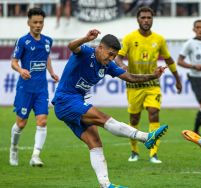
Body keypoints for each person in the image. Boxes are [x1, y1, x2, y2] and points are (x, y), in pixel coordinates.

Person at [51, 29, 168, 188]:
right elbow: (71, 46)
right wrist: (86, 38)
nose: (112, 58)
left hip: (74, 102)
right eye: (110, 54)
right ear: (100, 48)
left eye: (115, 55)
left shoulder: (108, 65)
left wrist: (153, 76)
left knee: (95, 142)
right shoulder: (86, 52)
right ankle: (145, 137)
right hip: (65, 99)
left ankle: (105, 185)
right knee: (102, 118)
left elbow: (130, 77)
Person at [115, 6, 182, 164]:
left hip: (152, 84)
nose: (146, 20)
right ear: (137, 19)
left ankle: (154, 153)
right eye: (143, 17)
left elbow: (169, 59)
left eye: (149, 18)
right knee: (134, 118)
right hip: (134, 85)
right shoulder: (129, 38)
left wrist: (177, 79)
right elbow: (118, 57)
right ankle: (134, 151)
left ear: (152, 19)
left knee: (154, 113)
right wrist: (122, 66)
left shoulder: (159, 39)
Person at [9, 7, 59, 167]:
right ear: (28, 23)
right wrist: (20, 70)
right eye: (35, 22)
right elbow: (13, 62)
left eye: (41, 22)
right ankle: (14, 148)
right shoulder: (23, 41)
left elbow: (46, 57)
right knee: (21, 123)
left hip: (41, 89)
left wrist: (51, 72)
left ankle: (35, 156)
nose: (38, 25)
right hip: (25, 88)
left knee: (42, 121)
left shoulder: (47, 41)